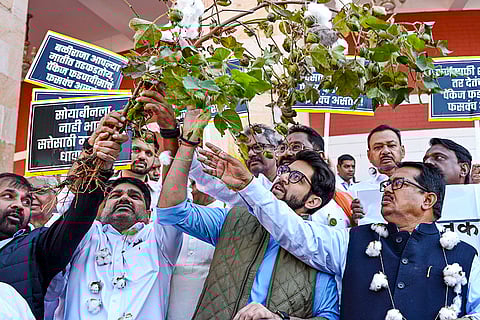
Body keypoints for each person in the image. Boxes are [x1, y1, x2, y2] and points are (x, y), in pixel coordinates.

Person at [203, 154, 480, 320]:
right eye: (386, 183)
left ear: (427, 199)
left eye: (398, 183)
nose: (387, 189)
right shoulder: (352, 241)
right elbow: (294, 231)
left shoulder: (465, 256)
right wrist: (251, 188)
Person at [157, 108, 339, 320]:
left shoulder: (321, 250)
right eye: (284, 171)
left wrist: (279, 319)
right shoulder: (236, 219)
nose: (284, 178)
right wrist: (187, 144)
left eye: (296, 177)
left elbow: (329, 316)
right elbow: (172, 210)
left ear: (312, 201)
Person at [0, 112, 127, 319]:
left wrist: (97, 163)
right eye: (8, 196)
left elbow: (77, 215)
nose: (19, 206)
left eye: (26, 201)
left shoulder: (36, 246)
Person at [58, 175, 182, 320]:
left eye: (134, 196)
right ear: (102, 210)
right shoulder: (87, 236)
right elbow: (68, 210)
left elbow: (174, 203)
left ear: (149, 215)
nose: (124, 199)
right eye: (115, 195)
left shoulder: (159, 241)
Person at [167, 180, 224, 320]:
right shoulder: (177, 215)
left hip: (209, 301)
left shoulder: (227, 215)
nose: (193, 189)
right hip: (171, 299)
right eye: (192, 183)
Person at [350, 125, 405, 223]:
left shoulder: (420, 186)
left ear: (402, 151)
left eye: (391, 145)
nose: (385, 151)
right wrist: (354, 222)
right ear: (369, 155)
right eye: (378, 147)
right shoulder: (355, 191)